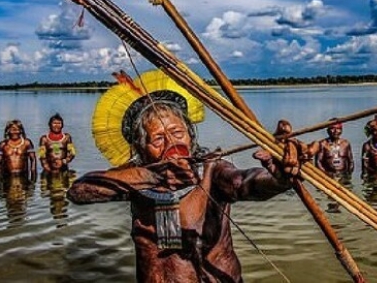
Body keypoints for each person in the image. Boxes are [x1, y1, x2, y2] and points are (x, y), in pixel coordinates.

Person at [67, 88, 302, 283]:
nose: (171, 142)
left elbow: (245, 183)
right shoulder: (133, 178)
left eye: (177, 132)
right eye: (158, 138)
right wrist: (154, 176)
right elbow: (78, 191)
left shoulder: (212, 169)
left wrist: (279, 177)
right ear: (140, 148)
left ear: (190, 134)